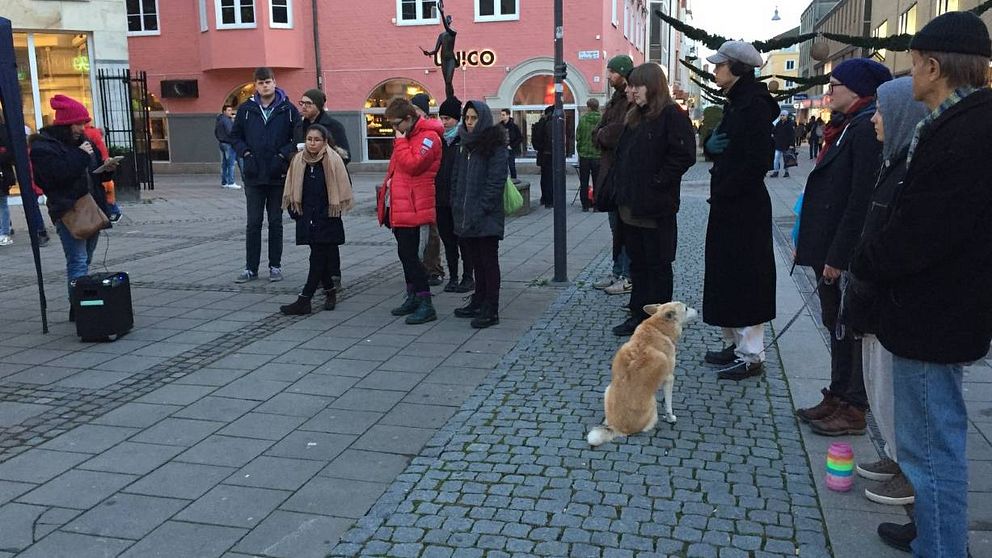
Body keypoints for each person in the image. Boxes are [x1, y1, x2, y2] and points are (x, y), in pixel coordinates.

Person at [850, 12, 992, 555]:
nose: (909, 78)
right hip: (933, 310)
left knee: (932, 451)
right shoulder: (957, 122)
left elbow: (922, 232)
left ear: (934, 66)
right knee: (930, 445)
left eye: (912, 65)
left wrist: (868, 257)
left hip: (933, 314)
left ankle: (942, 548)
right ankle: (932, 537)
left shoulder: (969, 132)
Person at [795, 58, 892, 434]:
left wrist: (836, 255)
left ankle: (853, 405)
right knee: (833, 321)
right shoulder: (845, 126)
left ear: (855, 89)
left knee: (846, 327)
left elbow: (858, 199)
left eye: (834, 85)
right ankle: (837, 393)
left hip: (843, 249)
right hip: (827, 242)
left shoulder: (864, 128)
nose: (827, 92)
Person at [844, 76, 928, 511]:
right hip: (872, 295)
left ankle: (910, 470)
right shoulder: (892, 160)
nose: (874, 118)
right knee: (879, 383)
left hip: (890, 300)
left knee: (898, 391)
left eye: (880, 111)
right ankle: (897, 458)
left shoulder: (907, 170)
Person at [700, 41, 778, 380]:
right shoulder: (736, 102)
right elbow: (726, 147)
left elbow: (756, 160)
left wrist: (728, 189)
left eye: (720, 65)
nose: (715, 70)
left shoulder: (753, 105)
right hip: (730, 204)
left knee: (746, 279)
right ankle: (734, 344)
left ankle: (751, 356)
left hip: (743, 207)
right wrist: (709, 148)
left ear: (737, 68)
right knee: (727, 277)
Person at [609, 63, 696, 336]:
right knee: (638, 264)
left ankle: (660, 321)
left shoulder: (672, 116)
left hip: (655, 208)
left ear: (653, 86)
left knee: (657, 266)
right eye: (630, 85)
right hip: (631, 206)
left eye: (637, 85)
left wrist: (657, 182)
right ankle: (638, 313)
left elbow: (683, 156)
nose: (631, 90)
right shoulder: (636, 116)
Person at [29, 95, 117, 316]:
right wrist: (80, 156)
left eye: (83, 123)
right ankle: (79, 308)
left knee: (85, 258)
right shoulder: (44, 146)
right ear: (65, 124)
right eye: (78, 124)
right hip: (68, 210)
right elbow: (53, 177)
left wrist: (107, 169)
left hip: (92, 207)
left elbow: (93, 172)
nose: (81, 128)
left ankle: (78, 300)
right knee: (77, 260)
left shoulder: (83, 143)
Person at [376, 98, 444, 324]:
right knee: (405, 255)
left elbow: (413, 165)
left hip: (416, 205)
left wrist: (401, 142)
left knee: (413, 257)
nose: (395, 130)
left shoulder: (429, 138)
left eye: (397, 124)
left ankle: (426, 302)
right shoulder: (407, 137)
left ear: (409, 119)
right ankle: (413, 295)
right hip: (401, 205)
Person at [230, 67, 300, 284]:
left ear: (274, 82)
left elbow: (296, 138)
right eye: (260, 83)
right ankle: (251, 268)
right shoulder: (246, 109)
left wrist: (282, 155)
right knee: (253, 223)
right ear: (255, 85)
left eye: (268, 82)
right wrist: (246, 153)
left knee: (276, 222)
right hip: (253, 175)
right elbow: (235, 137)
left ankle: (275, 266)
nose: (265, 86)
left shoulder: (288, 109)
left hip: (277, 175)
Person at [279, 124, 353, 315]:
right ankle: (330, 291)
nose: (312, 144)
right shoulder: (298, 161)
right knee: (320, 258)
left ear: (325, 141)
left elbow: (343, 188)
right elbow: (291, 187)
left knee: (317, 257)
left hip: (327, 217)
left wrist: (330, 211)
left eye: (317, 140)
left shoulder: (333, 161)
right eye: (310, 139)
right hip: (306, 217)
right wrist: (295, 212)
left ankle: (305, 299)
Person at [450, 100, 508, 329]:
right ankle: (478, 300)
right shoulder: (464, 144)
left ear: (482, 118)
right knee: (475, 262)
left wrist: (482, 208)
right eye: (467, 118)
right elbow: (456, 178)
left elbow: (495, 182)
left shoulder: (494, 145)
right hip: (466, 214)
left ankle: (491, 309)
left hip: (485, 216)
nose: (469, 122)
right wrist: (456, 203)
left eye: (474, 118)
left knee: (488, 263)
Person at [591, 55, 634, 295]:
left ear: (623, 73)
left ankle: (627, 275)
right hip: (610, 173)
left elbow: (615, 133)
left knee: (624, 229)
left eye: (611, 72)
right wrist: (601, 134)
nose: (608, 76)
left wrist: (602, 134)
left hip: (621, 174)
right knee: (615, 228)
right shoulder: (616, 100)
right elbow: (599, 131)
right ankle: (618, 271)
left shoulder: (629, 101)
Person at [436, 97, 474, 294]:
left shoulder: (464, 139)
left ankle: (468, 277)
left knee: (464, 241)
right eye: (441, 118)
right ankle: (453, 276)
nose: (444, 122)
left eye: (448, 118)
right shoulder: (438, 140)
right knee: (448, 241)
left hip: (459, 200)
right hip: (441, 199)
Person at [409, 93, 446, 287]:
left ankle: (434, 269)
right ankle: (420, 267)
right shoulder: (409, 133)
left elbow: (416, 162)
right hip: (412, 191)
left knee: (431, 232)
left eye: (415, 110)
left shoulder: (431, 134)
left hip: (429, 188)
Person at [292, 89, 351, 166]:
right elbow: (293, 149)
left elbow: (345, 156)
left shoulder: (334, 126)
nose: (303, 106)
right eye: (302, 103)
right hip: (304, 173)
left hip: (327, 173)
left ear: (318, 106)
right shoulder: (299, 126)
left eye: (308, 103)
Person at [575, 98, 602, 212]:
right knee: (597, 181)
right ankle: (596, 205)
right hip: (598, 155)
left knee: (584, 181)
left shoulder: (583, 119)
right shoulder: (602, 120)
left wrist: (581, 148)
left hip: (584, 155)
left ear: (589, 107)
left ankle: (585, 205)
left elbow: (578, 137)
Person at [531, 105, 554, 208]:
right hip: (549, 154)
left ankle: (544, 198)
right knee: (550, 178)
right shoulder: (550, 124)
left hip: (542, 153)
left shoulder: (540, 123)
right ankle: (550, 200)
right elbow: (550, 140)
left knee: (544, 177)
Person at [215, 104, 241, 189]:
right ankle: (231, 182)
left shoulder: (219, 120)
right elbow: (231, 132)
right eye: (229, 110)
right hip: (229, 144)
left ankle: (224, 182)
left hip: (222, 143)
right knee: (231, 164)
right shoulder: (226, 121)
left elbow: (215, 132)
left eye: (231, 110)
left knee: (225, 163)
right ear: (224, 111)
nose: (231, 112)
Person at [770, 110, 795, 178]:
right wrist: (773, 134)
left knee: (786, 159)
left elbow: (792, 135)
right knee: (776, 159)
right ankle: (776, 172)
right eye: (781, 115)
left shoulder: (790, 124)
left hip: (786, 145)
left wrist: (791, 145)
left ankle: (786, 172)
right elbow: (774, 130)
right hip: (778, 144)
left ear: (786, 116)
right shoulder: (779, 123)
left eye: (783, 115)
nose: (782, 116)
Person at [499, 108, 522, 180]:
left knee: (511, 166)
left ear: (508, 115)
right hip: (502, 150)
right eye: (501, 115)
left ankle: (514, 181)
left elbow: (520, 138)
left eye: (504, 115)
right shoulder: (499, 126)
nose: (502, 116)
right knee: (502, 167)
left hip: (511, 150)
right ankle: (503, 181)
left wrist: (512, 146)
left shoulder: (514, 126)